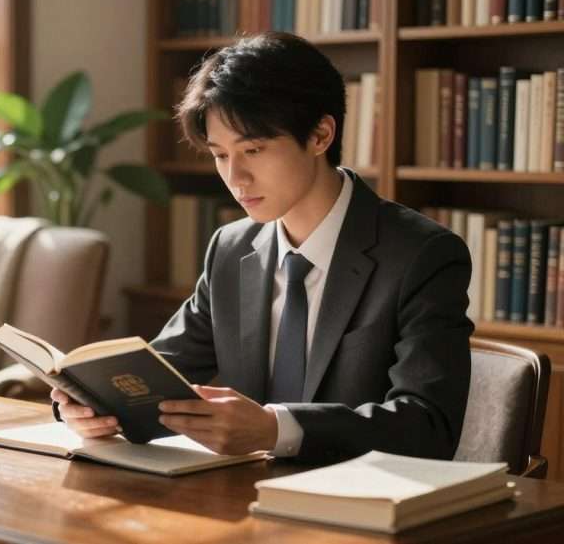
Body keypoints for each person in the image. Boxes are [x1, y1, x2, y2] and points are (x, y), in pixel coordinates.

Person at [51, 32, 474, 464]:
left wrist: (275, 429)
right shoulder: (231, 249)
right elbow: (159, 376)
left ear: (320, 135)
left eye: (253, 149)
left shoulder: (422, 255)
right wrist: (87, 405)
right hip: (242, 502)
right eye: (219, 154)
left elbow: (428, 426)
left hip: (361, 511)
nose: (236, 178)